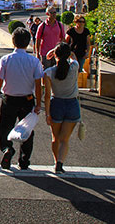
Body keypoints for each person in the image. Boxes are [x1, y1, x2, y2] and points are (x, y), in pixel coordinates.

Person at [0, 27, 44, 170]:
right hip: (27, 100)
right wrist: (39, 103)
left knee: (4, 128)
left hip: (9, 99)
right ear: (28, 43)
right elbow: (38, 85)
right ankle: (24, 160)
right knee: (27, 130)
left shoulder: (6, 59)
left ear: (13, 41)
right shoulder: (34, 61)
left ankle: (7, 149)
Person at [43, 42, 81, 173]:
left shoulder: (49, 73)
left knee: (55, 138)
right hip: (72, 104)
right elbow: (73, 56)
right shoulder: (74, 67)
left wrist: (47, 114)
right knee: (65, 139)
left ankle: (55, 161)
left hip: (56, 104)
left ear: (55, 55)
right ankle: (60, 162)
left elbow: (47, 96)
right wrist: (59, 50)